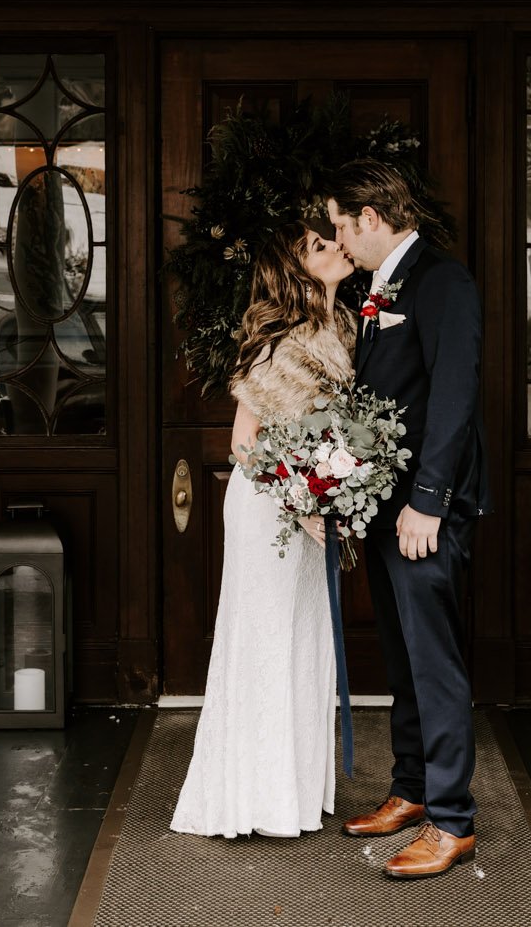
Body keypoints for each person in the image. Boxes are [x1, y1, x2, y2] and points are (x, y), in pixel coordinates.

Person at [169, 216, 358, 838]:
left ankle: (293, 795)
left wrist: (337, 490)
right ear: (297, 271)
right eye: (319, 246)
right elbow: (244, 444)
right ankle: (252, 798)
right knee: (267, 640)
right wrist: (302, 503)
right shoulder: (278, 342)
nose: (336, 247)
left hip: (312, 508)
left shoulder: (343, 327)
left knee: (307, 639)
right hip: (270, 509)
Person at [325, 160, 488, 881]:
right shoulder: (379, 287)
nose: (338, 240)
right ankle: (413, 786)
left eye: (340, 226)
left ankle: (452, 821)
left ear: (369, 217)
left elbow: (454, 394)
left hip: (425, 509)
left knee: (434, 659)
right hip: (386, 507)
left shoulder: (442, 281)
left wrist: (427, 499)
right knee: (402, 655)